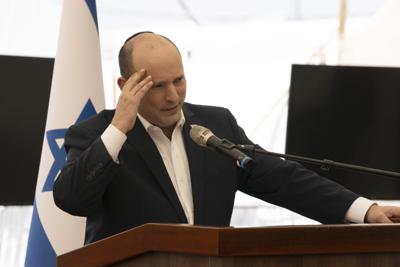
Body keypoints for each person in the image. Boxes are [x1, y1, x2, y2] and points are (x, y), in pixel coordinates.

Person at [53, 32, 400, 244]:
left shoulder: (215, 125)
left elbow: (282, 179)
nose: (173, 96)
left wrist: (364, 210)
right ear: (126, 86)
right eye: (157, 86)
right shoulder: (96, 135)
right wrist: (119, 128)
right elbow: (72, 199)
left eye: (179, 80)